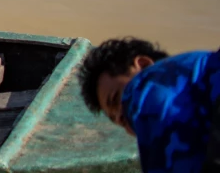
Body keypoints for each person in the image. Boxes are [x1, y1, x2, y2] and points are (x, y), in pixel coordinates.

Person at [79, 37, 220, 173]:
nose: (120, 116)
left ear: (144, 65)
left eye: (116, 99)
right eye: (114, 119)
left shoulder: (149, 90)